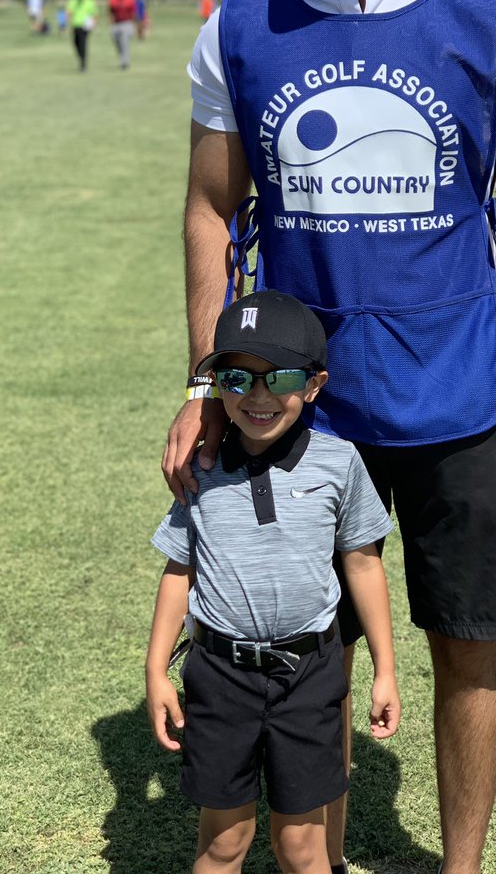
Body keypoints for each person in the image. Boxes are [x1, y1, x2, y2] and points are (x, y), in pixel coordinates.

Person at [162, 0, 496, 874]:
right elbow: (210, 209)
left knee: (467, 643)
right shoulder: (240, 21)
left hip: (461, 394)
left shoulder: (490, 15)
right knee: (315, 654)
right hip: (298, 405)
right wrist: (209, 383)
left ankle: (461, 868)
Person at [148, 290, 399, 874]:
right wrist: (156, 670)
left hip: (309, 677)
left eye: (279, 377)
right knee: (223, 843)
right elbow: (179, 569)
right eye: (237, 378)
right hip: (219, 675)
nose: (258, 397)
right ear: (218, 386)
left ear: (313, 385)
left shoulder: (340, 463)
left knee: (302, 848)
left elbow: (364, 564)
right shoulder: (200, 470)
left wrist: (384, 669)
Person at [65, 0, 98, 72]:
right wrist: (67, 23)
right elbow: (69, 12)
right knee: (76, 43)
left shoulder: (89, 0)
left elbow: (94, 13)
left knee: (83, 44)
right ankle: (81, 58)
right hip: (75, 25)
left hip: (85, 26)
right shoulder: (73, 0)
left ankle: (83, 63)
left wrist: (94, 24)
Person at [108, 0, 137, 69]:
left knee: (124, 43)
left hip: (126, 23)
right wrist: (111, 23)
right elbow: (110, 11)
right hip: (116, 24)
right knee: (118, 44)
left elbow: (133, 13)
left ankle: (124, 62)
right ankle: (122, 59)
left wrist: (133, 25)